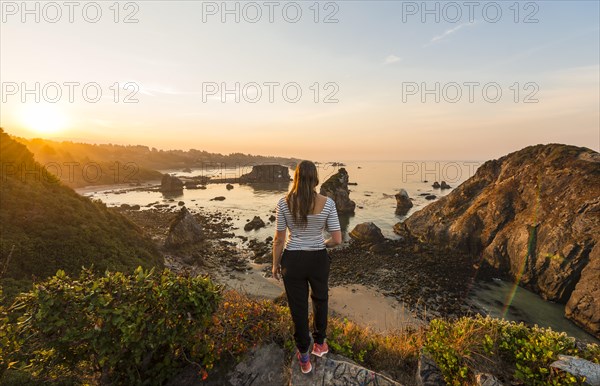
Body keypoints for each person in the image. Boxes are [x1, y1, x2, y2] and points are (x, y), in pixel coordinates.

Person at [272, 160, 342, 374]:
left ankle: (304, 356)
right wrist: (323, 243)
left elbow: (279, 239)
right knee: (321, 299)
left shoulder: (284, 203)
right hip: (318, 259)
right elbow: (337, 239)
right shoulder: (328, 203)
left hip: (292, 261)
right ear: (315, 179)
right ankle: (320, 345)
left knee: (298, 307)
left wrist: (275, 264)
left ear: (296, 177)